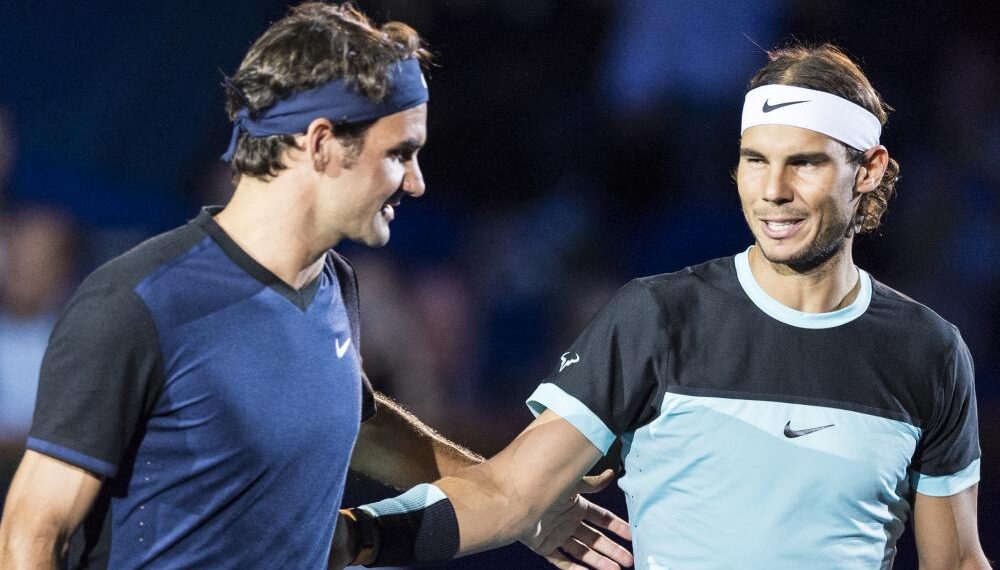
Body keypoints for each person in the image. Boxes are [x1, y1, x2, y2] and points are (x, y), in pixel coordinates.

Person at [0, 4, 631, 569]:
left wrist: (513, 500)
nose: (415, 183)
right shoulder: (140, 303)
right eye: (399, 153)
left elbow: (358, 420)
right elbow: (32, 535)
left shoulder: (335, 285)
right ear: (323, 143)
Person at [334, 44, 991, 569]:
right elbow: (509, 493)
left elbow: (956, 558)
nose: (773, 191)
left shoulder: (928, 351)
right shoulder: (654, 318)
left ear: (868, 170)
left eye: (806, 164)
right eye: (754, 160)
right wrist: (354, 539)